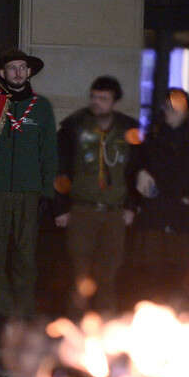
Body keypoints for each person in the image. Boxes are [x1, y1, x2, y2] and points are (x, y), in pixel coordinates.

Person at [0, 48, 57, 326]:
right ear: (2, 73)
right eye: (12, 68)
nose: (18, 73)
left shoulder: (42, 107)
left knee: (25, 256)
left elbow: (49, 152)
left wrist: (47, 192)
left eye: (23, 68)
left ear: (29, 72)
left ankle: (22, 319)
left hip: (29, 191)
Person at [53, 75, 138, 315]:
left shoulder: (128, 129)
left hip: (114, 211)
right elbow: (60, 167)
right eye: (94, 97)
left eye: (103, 98)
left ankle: (105, 328)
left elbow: (136, 170)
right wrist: (61, 207)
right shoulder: (74, 127)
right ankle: (76, 326)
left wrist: (132, 206)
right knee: (80, 274)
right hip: (82, 209)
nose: (97, 102)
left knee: (109, 274)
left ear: (114, 101)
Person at [124, 88, 189, 310]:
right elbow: (134, 168)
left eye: (177, 106)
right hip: (153, 216)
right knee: (149, 274)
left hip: (182, 220)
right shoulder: (151, 137)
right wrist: (140, 177)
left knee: (181, 274)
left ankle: (179, 318)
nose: (171, 111)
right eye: (168, 106)